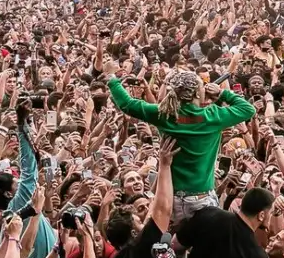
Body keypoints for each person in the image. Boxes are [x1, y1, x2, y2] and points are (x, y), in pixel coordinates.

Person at [107, 66, 255, 222]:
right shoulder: (213, 116)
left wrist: (114, 82)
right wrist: (221, 93)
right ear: (198, 93)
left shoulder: (163, 114)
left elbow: (127, 104)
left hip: (171, 199)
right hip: (202, 200)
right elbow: (248, 109)